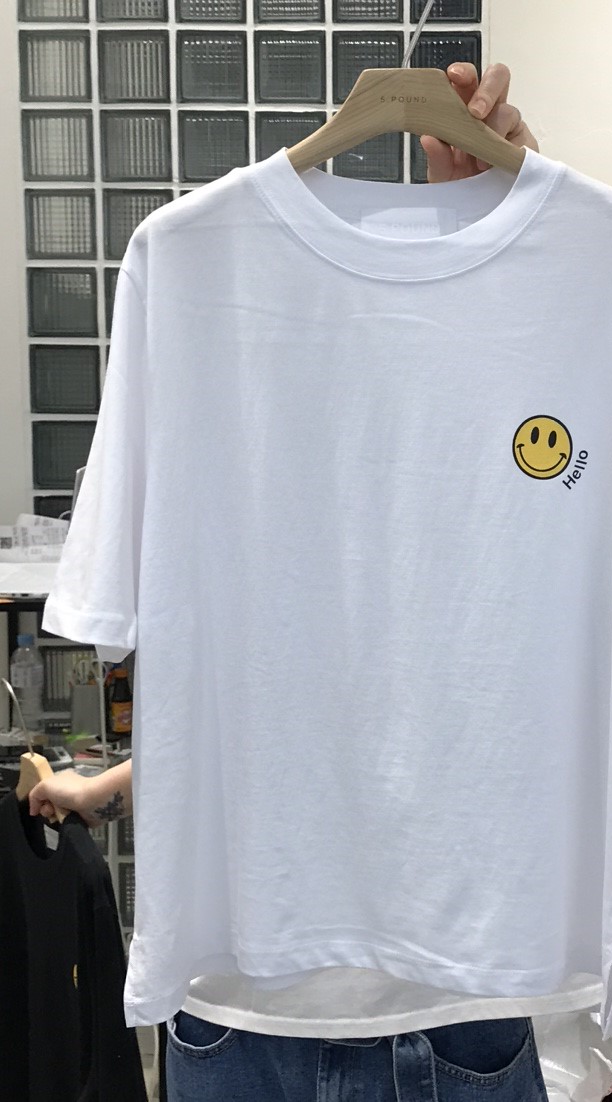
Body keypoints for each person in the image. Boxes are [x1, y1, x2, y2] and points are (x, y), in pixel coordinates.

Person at [28, 61, 550, 1102]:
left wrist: (517, 255)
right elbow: (235, 711)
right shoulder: (183, 278)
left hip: (436, 991)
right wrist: (107, 784)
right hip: (258, 998)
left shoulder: (529, 345)